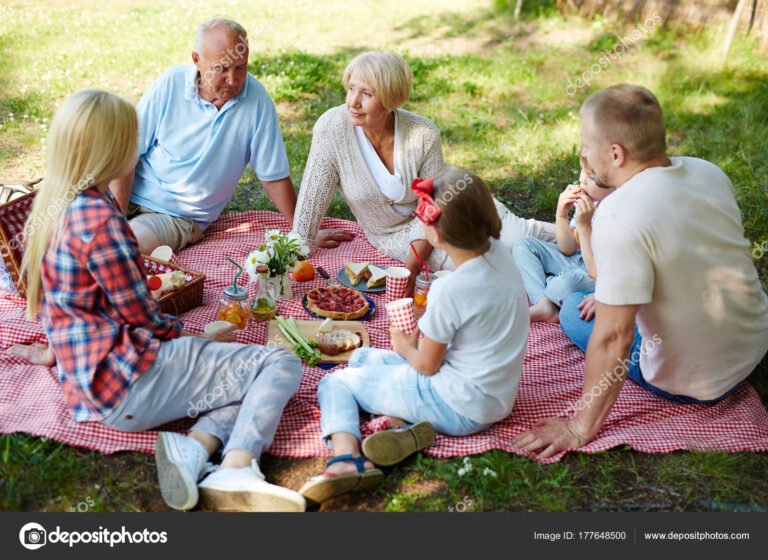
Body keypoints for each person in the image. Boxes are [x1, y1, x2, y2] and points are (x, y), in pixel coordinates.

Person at [20, 89, 306, 512]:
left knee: (236, 380)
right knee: (278, 362)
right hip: (127, 384)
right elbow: (146, 319)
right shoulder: (102, 224)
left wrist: (53, 353)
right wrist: (197, 339)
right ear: (112, 150)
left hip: (88, 384)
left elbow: (65, 307)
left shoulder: (56, 207)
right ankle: (237, 466)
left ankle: (194, 448)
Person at [7, 17, 345, 367]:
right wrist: (116, 215)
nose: (232, 79)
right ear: (196, 60)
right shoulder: (169, 85)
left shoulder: (256, 101)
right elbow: (127, 155)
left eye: (241, 68)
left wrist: (301, 233)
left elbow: (273, 176)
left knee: (117, 248)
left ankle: (55, 345)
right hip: (122, 196)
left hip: (179, 216)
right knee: (46, 241)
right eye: (222, 69)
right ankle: (28, 291)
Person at [513, 84, 768, 459]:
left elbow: (614, 337)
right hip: (752, 349)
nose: (582, 154)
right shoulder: (707, 172)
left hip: (696, 382)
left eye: (586, 145)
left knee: (572, 309)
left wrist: (578, 427)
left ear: (615, 154)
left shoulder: (618, 217)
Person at [298, 168, 530, 504]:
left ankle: (346, 460)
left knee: (337, 382)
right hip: (496, 398)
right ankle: (402, 423)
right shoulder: (501, 254)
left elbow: (425, 366)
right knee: (363, 357)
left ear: (434, 233)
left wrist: (405, 346)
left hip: (456, 402)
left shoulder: (450, 288)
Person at [291, 51, 555, 293]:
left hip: (452, 204)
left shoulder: (423, 134)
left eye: (367, 94)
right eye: (351, 89)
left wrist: (413, 268)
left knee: (517, 236)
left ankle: (580, 235)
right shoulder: (331, 128)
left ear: (389, 99)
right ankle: (564, 283)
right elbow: (312, 197)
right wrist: (300, 245)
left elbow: (432, 204)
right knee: (493, 267)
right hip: (393, 236)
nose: (353, 102)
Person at [512, 170, 615, 323]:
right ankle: (544, 303)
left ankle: (550, 288)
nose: (582, 180)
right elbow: (568, 248)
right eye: (583, 172)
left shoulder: (618, 209)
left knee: (562, 285)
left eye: (591, 176)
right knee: (523, 246)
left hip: (601, 272)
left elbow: (601, 271)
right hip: (577, 259)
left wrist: (585, 225)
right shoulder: (592, 200)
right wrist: (561, 214)